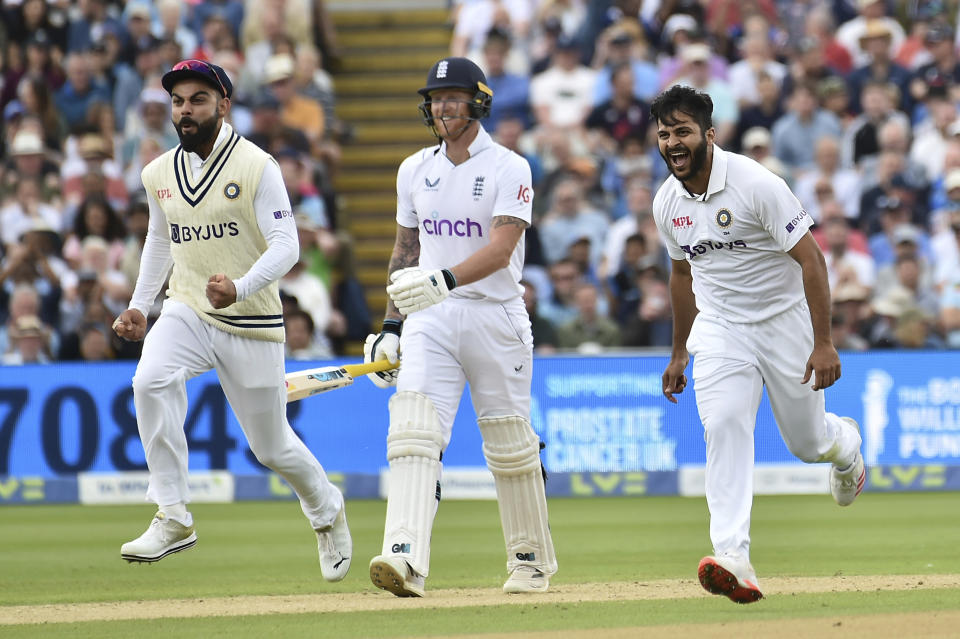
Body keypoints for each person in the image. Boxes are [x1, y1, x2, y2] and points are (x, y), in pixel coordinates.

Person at [111, 60, 351, 581]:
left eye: (197, 99)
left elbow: (288, 246)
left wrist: (240, 287)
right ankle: (173, 513)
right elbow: (160, 238)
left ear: (223, 104)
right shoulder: (157, 172)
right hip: (187, 308)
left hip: (252, 321)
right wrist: (139, 303)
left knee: (271, 447)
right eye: (177, 101)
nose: (185, 110)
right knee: (150, 379)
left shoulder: (256, 165)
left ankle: (326, 509)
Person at [650, 85, 865, 604]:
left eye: (682, 131)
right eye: (663, 134)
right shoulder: (667, 202)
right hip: (722, 328)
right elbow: (682, 273)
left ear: (709, 134)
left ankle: (846, 446)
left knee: (806, 444)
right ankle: (734, 558)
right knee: (723, 425)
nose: (673, 143)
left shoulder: (755, 183)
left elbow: (811, 260)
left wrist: (824, 343)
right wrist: (679, 352)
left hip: (784, 322)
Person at [363, 57, 557, 597]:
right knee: (413, 430)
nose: (444, 106)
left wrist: (442, 282)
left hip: (495, 315)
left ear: (479, 101)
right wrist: (392, 325)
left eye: (455, 96)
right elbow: (405, 251)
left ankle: (530, 562)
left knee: (509, 445)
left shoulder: (509, 167)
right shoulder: (412, 169)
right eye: (436, 97)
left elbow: (500, 251)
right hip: (431, 318)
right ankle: (405, 558)